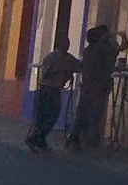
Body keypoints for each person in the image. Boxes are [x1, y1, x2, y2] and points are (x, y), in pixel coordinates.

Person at [67, 21, 120, 150]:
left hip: (87, 85)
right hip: (99, 86)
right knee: (96, 114)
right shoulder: (102, 50)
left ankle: (75, 137)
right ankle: (91, 140)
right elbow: (108, 65)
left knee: (82, 112)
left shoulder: (87, 51)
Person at [26, 40, 79, 151]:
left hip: (47, 90)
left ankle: (38, 138)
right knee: (50, 115)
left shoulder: (58, 57)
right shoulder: (58, 58)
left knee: (44, 115)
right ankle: (36, 137)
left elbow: (77, 65)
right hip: (50, 89)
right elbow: (46, 73)